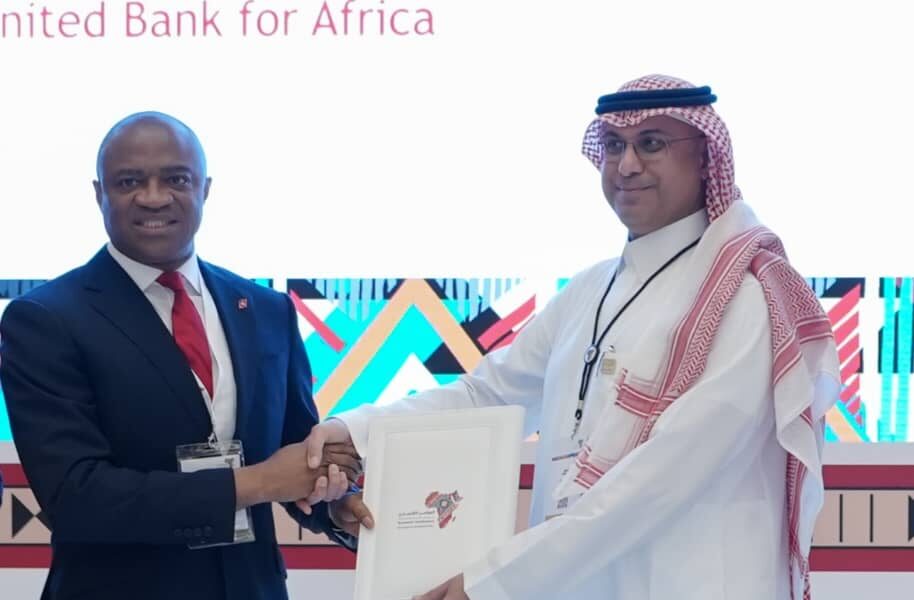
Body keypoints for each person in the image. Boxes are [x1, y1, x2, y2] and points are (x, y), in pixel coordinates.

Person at [305, 75, 840, 600]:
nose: (626, 166)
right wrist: (354, 432)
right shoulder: (590, 289)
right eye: (614, 146)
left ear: (705, 158)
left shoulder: (744, 298)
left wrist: (494, 583)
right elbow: (486, 396)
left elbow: (659, 480)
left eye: (652, 144)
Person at [0, 112, 371, 600]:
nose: (154, 197)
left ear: (205, 188)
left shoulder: (266, 310)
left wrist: (334, 505)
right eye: (130, 181)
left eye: (176, 179)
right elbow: (78, 496)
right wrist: (258, 482)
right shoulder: (44, 319)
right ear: (98, 193)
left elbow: (297, 453)